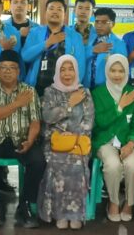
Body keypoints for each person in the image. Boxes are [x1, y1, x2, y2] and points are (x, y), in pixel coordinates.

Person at [0, 50, 44, 228]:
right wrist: (17, 103)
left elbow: (35, 121)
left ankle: (25, 204)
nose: (7, 71)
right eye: (3, 68)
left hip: (21, 138)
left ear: (19, 71)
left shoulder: (29, 91)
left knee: (38, 161)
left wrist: (30, 140)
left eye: (12, 68)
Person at [38, 55, 94, 230]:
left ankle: (75, 214)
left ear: (76, 71)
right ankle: (59, 214)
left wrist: (74, 137)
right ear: (57, 72)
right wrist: (69, 105)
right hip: (55, 143)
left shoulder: (84, 93)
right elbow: (47, 117)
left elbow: (88, 121)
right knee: (56, 162)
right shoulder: (50, 92)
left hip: (78, 143)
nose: (67, 73)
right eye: (63, 69)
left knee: (76, 163)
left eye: (71, 69)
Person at [91, 55, 134, 222]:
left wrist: (132, 143)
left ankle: (129, 203)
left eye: (121, 71)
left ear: (127, 72)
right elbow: (99, 122)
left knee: (133, 166)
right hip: (105, 141)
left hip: (129, 142)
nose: (117, 75)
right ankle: (113, 202)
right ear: (106, 72)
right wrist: (120, 107)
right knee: (113, 165)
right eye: (113, 70)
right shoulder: (97, 94)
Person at [22, 0, 85, 95]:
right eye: (51, 8)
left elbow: (80, 66)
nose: (55, 12)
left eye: (59, 9)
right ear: (45, 12)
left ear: (65, 14)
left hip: (64, 91)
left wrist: (71, 89)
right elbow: (25, 56)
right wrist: (47, 43)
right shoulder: (35, 32)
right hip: (36, 88)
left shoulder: (75, 36)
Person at [84, 7, 127, 89]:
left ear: (112, 24)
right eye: (97, 22)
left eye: (104, 22)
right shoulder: (89, 39)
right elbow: (80, 57)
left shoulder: (119, 44)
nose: (99, 25)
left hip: (105, 89)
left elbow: (122, 71)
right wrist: (93, 50)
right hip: (86, 87)